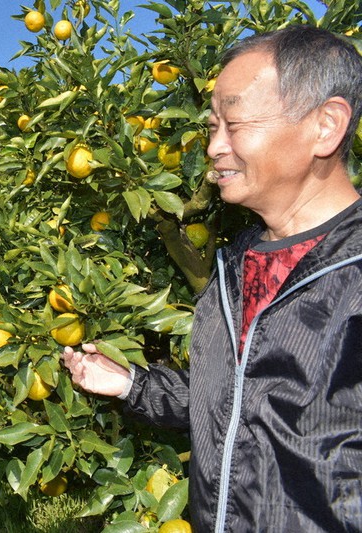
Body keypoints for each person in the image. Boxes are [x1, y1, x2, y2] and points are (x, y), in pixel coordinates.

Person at [62, 25, 362, 532]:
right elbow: (236, 398)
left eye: (236, 123)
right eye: (211, 126)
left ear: (325, 126)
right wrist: (132, 386)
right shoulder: (235, 265)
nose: (214, 148)